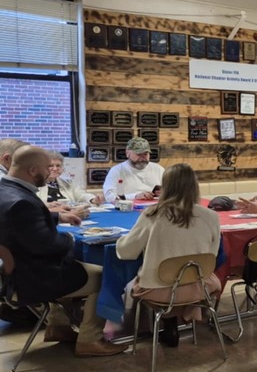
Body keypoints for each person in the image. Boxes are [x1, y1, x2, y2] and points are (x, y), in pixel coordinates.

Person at [0, 146, 125, 356]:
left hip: (15, 274)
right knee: (106, 275)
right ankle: (90, 340)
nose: (51, 172)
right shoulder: (22, 202)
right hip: (35, 278)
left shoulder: (6, 190)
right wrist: (71, 238)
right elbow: (48, 245)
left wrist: (57, 217)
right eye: (48, 168)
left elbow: (22, 222)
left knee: (81, 267)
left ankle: (58, 325)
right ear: (32, 170)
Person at [115, 164, 222, 347]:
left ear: (165, 186)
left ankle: (169, 322)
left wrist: (121, 240)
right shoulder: (211, 216)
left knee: (142, 280)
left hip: (158, 288)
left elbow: (127, 252)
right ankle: (175, 321)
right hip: (198, 285)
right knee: (188, 277)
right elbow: (211, 256)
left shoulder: (153, 214)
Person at [102, 136, 165, 202]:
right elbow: (109, 197)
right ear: (127, 153)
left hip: (154, 209)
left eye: (145, 154)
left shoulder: (159, 169)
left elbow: (173, 192)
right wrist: (135, 196)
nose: (142, 158)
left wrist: (163, 194)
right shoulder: (116, 171)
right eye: (139, 154)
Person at [38, 150, 102, 207]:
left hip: (70, 214)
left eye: (58, 166)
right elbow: (33, 205)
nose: (55, 169)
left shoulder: (68, 182)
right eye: (51, 166)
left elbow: (81, 195)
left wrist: (93, 199)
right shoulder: (34, 184)